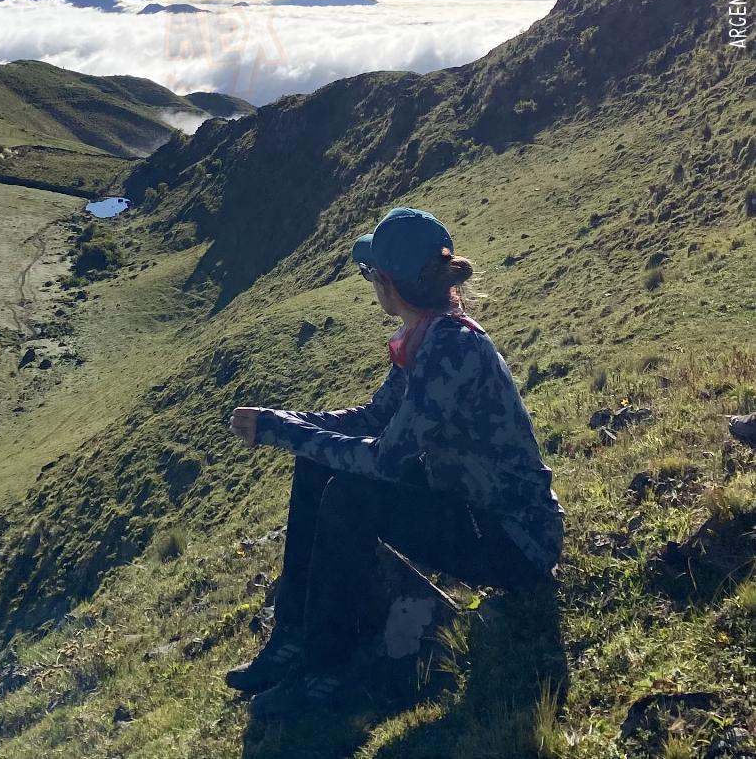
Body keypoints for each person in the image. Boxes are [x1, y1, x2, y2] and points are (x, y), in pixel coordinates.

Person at [225, 207, 565, 720]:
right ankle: (292, 638)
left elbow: (386, 458)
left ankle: (324, 673)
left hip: (514, 540)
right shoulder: (431, 334)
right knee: (317, 465)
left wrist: (281, 430)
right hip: (472, 507)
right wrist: (285, 422)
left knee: (351, 495)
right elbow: (374, 417)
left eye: (371, 276)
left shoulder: (451, 351)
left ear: (389, 283)